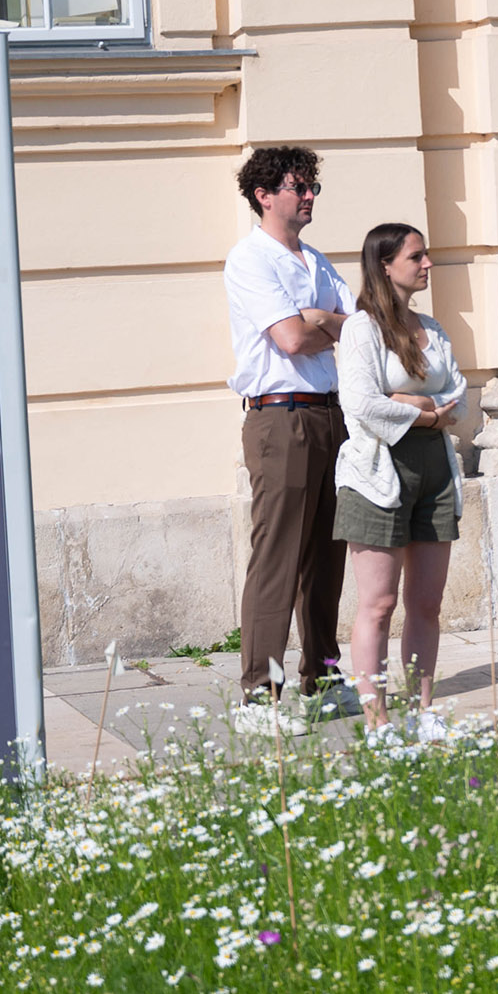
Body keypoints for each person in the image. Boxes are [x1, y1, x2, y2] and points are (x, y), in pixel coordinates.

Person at [223, 146, 352, 705]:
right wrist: (325, 323)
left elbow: (365, 327)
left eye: (312, 187)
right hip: (280, 415)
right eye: (299, 187)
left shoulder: (317, 261)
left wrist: (321, 320)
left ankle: (322, 678)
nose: (309, 197)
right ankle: (259, 689)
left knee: (328, 554)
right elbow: (291, 339)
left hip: (329, 411)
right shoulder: (250, 259)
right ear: (264, 194)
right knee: (278, 554)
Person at [333, 222, 463, 733]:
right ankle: (377, 722)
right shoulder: (361, 329)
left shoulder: (435, 329)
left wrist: (415, 406)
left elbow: (461, 396)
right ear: (385, 265)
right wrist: (423, 411)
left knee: (427, 604)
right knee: (379, 604)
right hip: (377, 471)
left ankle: (424, 713)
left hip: (434, 468)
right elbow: (361, 404)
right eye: (417, 257)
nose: (428, 264)